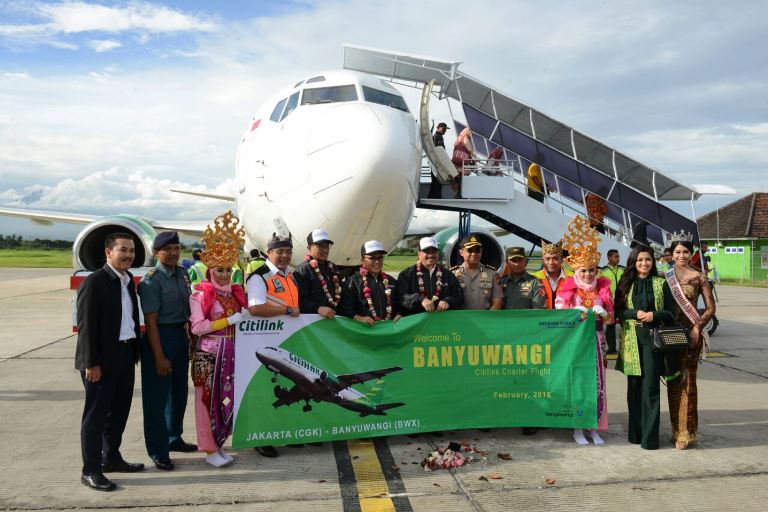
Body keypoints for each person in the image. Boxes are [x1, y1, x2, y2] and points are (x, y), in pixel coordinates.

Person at [76, 233, 144, 491]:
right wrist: (91, 363)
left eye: (132, 250)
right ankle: (90, 470)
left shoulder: (126, 281)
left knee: (119, 413)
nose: (128, 255)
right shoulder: (95, 282)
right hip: (100, 362)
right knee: (95, 417)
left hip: (125, 356)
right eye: (123, 250)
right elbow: (87, 327)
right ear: (108, 253)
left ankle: (111, 458)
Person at [189, 211, 247, 467]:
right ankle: (209, 448)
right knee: (206, 401)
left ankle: (220, 443)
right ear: (209, 270)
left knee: (227, 399)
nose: (224, 274)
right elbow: (198, 327)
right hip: (210, 355)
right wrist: (228, 321)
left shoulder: (235, 294)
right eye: (219, 270)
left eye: (227, 269)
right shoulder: (200, 294)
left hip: (231, 354)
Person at [137, 231, 196, 471]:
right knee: (157, 398)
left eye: (177, 248)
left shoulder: (182, 274)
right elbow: (150, 323)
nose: (173, 253)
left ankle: (174, 438)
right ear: (156, 252)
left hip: (180, 336)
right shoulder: (151, 280)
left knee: (178, 392)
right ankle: (158, 450)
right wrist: (159, 356)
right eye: (168, 249)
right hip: (159, 337)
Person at [554, 215, 613, 445]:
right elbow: (559, 317)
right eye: (584, 271)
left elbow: (611, 320)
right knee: (577, 382)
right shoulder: (567, 292)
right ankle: (577, 426)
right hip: (576, 345)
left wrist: (603, 313)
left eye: (591, 270)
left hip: (597, 344)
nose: (588, 274)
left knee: (597, 384)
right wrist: (573, 313)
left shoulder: (603, 291)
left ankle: (594, 426)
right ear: (576, 271)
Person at [614, 246, 676, 450]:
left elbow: (670, 313)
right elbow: (619, 312)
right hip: (631, 340)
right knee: (634, 388)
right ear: (633, 261)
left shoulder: (661, 284)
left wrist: (654, 316)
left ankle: (650, 439)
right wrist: (634, 313)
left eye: (648, 259)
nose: (644, 263)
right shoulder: (625, 283)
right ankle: (635, 434)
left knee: (650, 388)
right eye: (640, 260)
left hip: (653, 342)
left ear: (653, 261)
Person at [245, 232, 299, 458]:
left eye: (288, 251)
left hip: (288, 340)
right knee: (266, 391)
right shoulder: (260, 276)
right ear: (269, 253)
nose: (285, 256)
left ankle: (285, 434)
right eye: (279, 252)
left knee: (287, 388)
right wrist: (286, 311)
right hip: (266, 340)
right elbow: (255, 308)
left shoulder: (290, 276)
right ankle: (261, 437)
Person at [665, 234, 716, 450]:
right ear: (671, 254)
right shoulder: (664, 276)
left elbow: (711, 307)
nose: (681, 255)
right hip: (669, 335)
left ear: (691, 253)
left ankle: (686, 433)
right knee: (672, 380)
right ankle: (675, 429)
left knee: (687, 381)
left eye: (685, 251)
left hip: (691, 335)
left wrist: (697, 327)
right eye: (677, 252)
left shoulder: (699, 277)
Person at [500, 246, 546, 436]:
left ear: (525, 262)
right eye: (513, 260)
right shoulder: (499, 282)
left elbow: (538, 311)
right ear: (507, 262)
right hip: (502, 340)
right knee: (502, 381)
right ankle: (500, 417)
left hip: (527, 339)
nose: (516, 263)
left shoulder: (535, 283)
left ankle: (530, 418)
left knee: (528, 381)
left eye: (520, 260)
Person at [397, 237, 463, 315]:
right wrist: (420, 299)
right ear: (419, 254)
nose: (430, 255)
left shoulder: (448, 275)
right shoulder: (406, 275)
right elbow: (400, 298)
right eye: (427, 251)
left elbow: (459, 297)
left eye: (434, 251)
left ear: (438, 253)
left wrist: (448, 302)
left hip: (442, 322)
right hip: (416, 324)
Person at [339, 240, 401, 324]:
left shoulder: (391, 280)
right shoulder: (352, 282)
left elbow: (399, 303)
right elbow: (345, 309)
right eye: (372, 258)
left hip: (388, 330)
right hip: (364, 332)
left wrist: (399, 314)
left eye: (380, 257)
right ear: (362, 260)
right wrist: (360, 318)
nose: (377, 261)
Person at [294, 229, 342, 319]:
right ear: (309, 248)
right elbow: (299, 301)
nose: (325, 250)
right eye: (320, 246)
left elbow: (341, 295)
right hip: (314, 324)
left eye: (327, 246)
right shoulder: (302, 270)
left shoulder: (333, 268)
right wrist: (317, 308)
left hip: (335, 321)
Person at [451, 234, 502, 311]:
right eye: (470, 250)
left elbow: (497, 303)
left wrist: (485, 320)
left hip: (484, 320)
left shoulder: (492, 274)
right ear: (461, 252)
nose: (474, 254)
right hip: (459, 320)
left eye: (477, 250)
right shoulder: (452, 274)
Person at [530, 240, 573, 309]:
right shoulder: (534, 278)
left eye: (555, 258)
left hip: (566, 318)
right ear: (543, 260)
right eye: (547, 259)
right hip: (542, 318)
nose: (551, 262)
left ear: (562, 259)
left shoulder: (573, 277)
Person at [599, 249, 625, 354]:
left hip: (623, 301)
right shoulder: (602, 271)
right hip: (609, 303)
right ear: (609, 257)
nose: (618, 259)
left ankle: (625, 347)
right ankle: (612, 348)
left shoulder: (623, 269)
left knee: (625, 324)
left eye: (618, 256)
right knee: (610, 326)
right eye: (616, 257)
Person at [450, 127, 475, 198]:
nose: (472, 135)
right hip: (462, 163)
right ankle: (459, 194)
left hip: (456, 162)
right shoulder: (465, 138)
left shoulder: (458, 138)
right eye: (471, 134)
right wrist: (474, 155)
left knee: (458, 178)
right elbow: (469, 149)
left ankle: (457, 193)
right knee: (462, 179)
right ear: (468, 132)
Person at [427, 122, 450, 198]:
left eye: (445, 129)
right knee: (438, 180)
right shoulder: (438, 136)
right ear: (438, 128)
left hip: (435, 162)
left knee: (435, 180)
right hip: (437, 163)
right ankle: (436, 196)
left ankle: (432, 195)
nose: (444, 131)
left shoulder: (437, 136)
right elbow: (439, 151)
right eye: (443, 129)